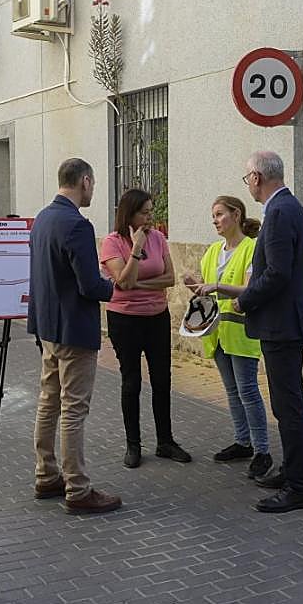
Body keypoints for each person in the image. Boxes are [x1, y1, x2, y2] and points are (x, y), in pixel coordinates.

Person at [27, 158, 121, 514]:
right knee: (73, 409)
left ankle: (46, 475)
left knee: (49, 401)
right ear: (85, 181)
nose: (93, 189)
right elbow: (89, 285)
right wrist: (113, 286)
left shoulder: (42, 219)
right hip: (74, 330)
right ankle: (78, 489)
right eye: (93, 183)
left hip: (48, 328)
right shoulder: (78, 225)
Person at [233, 151, 303, 513]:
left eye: (247, 178)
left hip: (283, 325)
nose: (247, 185)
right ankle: (292, 470)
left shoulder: (281, 212)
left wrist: (245, 300)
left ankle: (299, 487)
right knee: (287, 406)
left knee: (288, 407)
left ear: (256, 178)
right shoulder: (288, 208)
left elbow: (278, 273)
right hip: (286, 322)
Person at [100, 189, 191, 468]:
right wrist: (136, 249)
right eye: (144, 213)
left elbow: (169, 278)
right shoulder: (112, 243)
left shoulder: (159, 238)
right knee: (131, 382)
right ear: (129, 214)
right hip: (125, 320)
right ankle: (133, 445)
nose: (150, 217)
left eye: (151, 211)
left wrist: (136, 284)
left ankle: (165, 441)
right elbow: (123, 281)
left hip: (157, 316)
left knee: (162, 379)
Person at [183, 195, 272, 480]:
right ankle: (243, 442)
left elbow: (250, 289)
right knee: (232, 391)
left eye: (220, 214)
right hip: (216, 332)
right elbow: (207, 292)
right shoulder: (212, 251)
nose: (215, 221)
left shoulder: (251, 248)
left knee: (248, 391)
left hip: (241, 332)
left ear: (236, 215)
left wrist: (216, 286)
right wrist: (194, 286)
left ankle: (263, 451)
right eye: (213, 216)